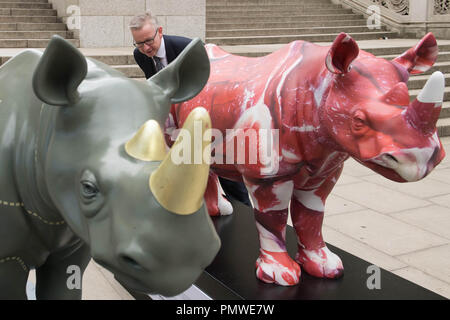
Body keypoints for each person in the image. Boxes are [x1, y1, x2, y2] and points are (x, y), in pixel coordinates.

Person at [129, 12, 251, 207]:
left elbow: (214, 79)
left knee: (224, 169)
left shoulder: (187, 48)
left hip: (209, 116)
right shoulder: (140, 55)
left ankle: (243, 212)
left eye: (149, 41)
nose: (145, 48)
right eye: (139, 44)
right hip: (179, 122)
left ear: (160, 32)